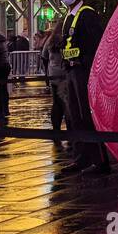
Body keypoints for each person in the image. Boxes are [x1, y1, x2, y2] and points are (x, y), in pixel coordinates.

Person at [56, 0, 109, 176]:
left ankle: (99, 161)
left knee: (87, 116)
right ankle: (81, 158)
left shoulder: (87, 15)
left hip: (82, 71)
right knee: (74, 117)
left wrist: (85, 63)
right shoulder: (69, 16)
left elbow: (96, 44)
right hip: (70, 71)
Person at [41, 17, 69, 148]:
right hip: (65, 74)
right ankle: (71, 133)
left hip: (53, 74)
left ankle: (56, 130)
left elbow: (44, 56)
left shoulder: (50, 40)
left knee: (56, 103)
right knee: (68, 104)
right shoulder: (66, 38)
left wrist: (48, 71)